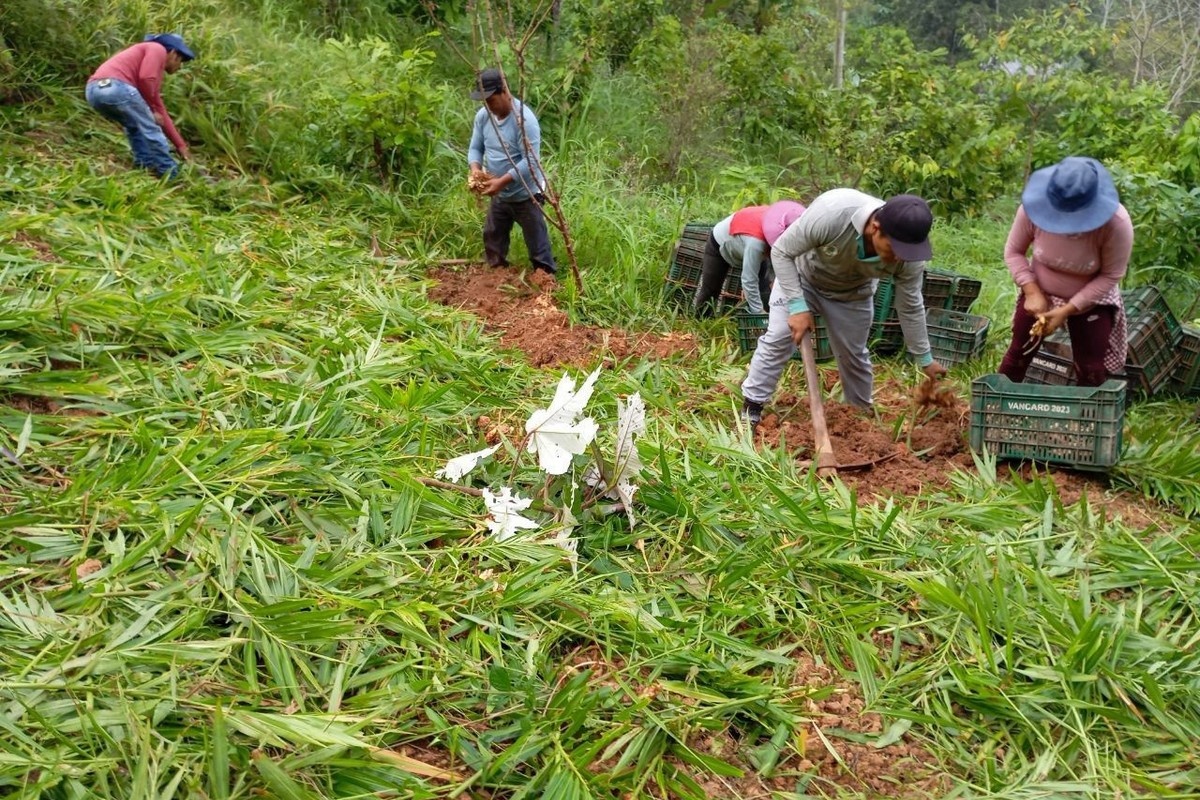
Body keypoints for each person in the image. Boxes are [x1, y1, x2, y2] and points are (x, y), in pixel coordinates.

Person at [740, 190, 948, 426]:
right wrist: (798, 306)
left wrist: (924, 358)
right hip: (801, 277)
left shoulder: (909, 260)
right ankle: (752, 404)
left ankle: (857, 416)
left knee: (853, 354)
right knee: (779, 335)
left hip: (852, 293)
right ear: (875, 227)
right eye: (895, 249)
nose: (900, 259)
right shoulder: (833, 213)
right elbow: (781, 251)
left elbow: (910, 307)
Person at [997, 157, 1133, 387]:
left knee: (1091, 369)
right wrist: (1031, 292)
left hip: (1093, 300)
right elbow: (1013, 252)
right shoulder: (1032, 209)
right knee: (1018, 354)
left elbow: (1111, 275)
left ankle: (1087, 419)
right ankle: (994, 404)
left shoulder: (1116, 224)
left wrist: (1067, 310)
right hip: (1041, 290)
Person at [467, 68, 556, 275]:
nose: (488, 106)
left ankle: (546, 282)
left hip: (527, 195)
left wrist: (502, 182)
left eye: (491, 100)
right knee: (493, 237)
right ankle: (497, 278)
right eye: (484, 102)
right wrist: (475, 170)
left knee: (537, 245)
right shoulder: (483, 117)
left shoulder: (524, 121)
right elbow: (475, 148)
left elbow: (531, 161)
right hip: (500, 194)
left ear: (504, 91)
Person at [86, 33, 195, 179]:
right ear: (173, 53)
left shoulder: (146, 78)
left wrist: (181, 146)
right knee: (151, 128)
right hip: (117, 87)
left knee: (135, 125)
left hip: (94, 92)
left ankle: (144, 166)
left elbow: (162, 114)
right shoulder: (158, 49)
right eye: (180, 61)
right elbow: (145, 78)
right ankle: (170, 174)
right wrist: (152, 111)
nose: (179, 67)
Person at [693, 200, 806, 316]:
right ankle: (700, 322)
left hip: (754, 241)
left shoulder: (782, 225)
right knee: (711, 290)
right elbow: (749, 279)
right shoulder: (756, 244)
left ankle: (770, 322)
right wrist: (758, 313)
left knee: (765, 288)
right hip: (720, 244)